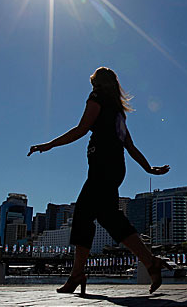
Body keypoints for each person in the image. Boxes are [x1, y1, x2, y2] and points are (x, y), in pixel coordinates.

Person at [28, 67, 171, 295]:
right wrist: (148, 168)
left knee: (85, 214)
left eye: (94, 83)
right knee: (106, 217)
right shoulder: (117, 110)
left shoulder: (97, 98)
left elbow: (81, 129)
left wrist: (48, 145)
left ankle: (78, 274)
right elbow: (129, 145)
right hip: (114, 167)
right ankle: (148, 262)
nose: (92, 87)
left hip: (103, 166)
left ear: (99, 84)